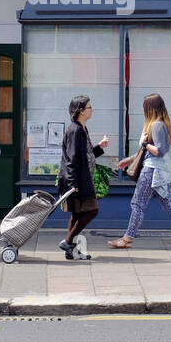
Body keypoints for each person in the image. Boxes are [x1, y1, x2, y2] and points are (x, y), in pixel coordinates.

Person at [110, 93, 171, 250]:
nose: (144, 111)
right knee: (169, 204)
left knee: (138, 204)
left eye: (145, 108)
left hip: (151, 171)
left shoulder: (156, 125)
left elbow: (160, 150)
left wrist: (144, 143)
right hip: (159, 171)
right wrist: (129, 160)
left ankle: (127, 239)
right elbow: (148, 152)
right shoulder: (162, 124)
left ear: (150, 109)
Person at [57, 94, 108, 260]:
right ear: (80, 111)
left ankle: (71, 250)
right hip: (78, 181)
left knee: (78, 214)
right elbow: (71, 159)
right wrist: (73, 184)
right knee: (92, 210)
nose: (91, 110)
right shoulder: (75, 130)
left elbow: (85, 155)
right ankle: (68, 241)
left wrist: (99, 147)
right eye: (89, 107)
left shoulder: (82, 129)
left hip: (82, 179)